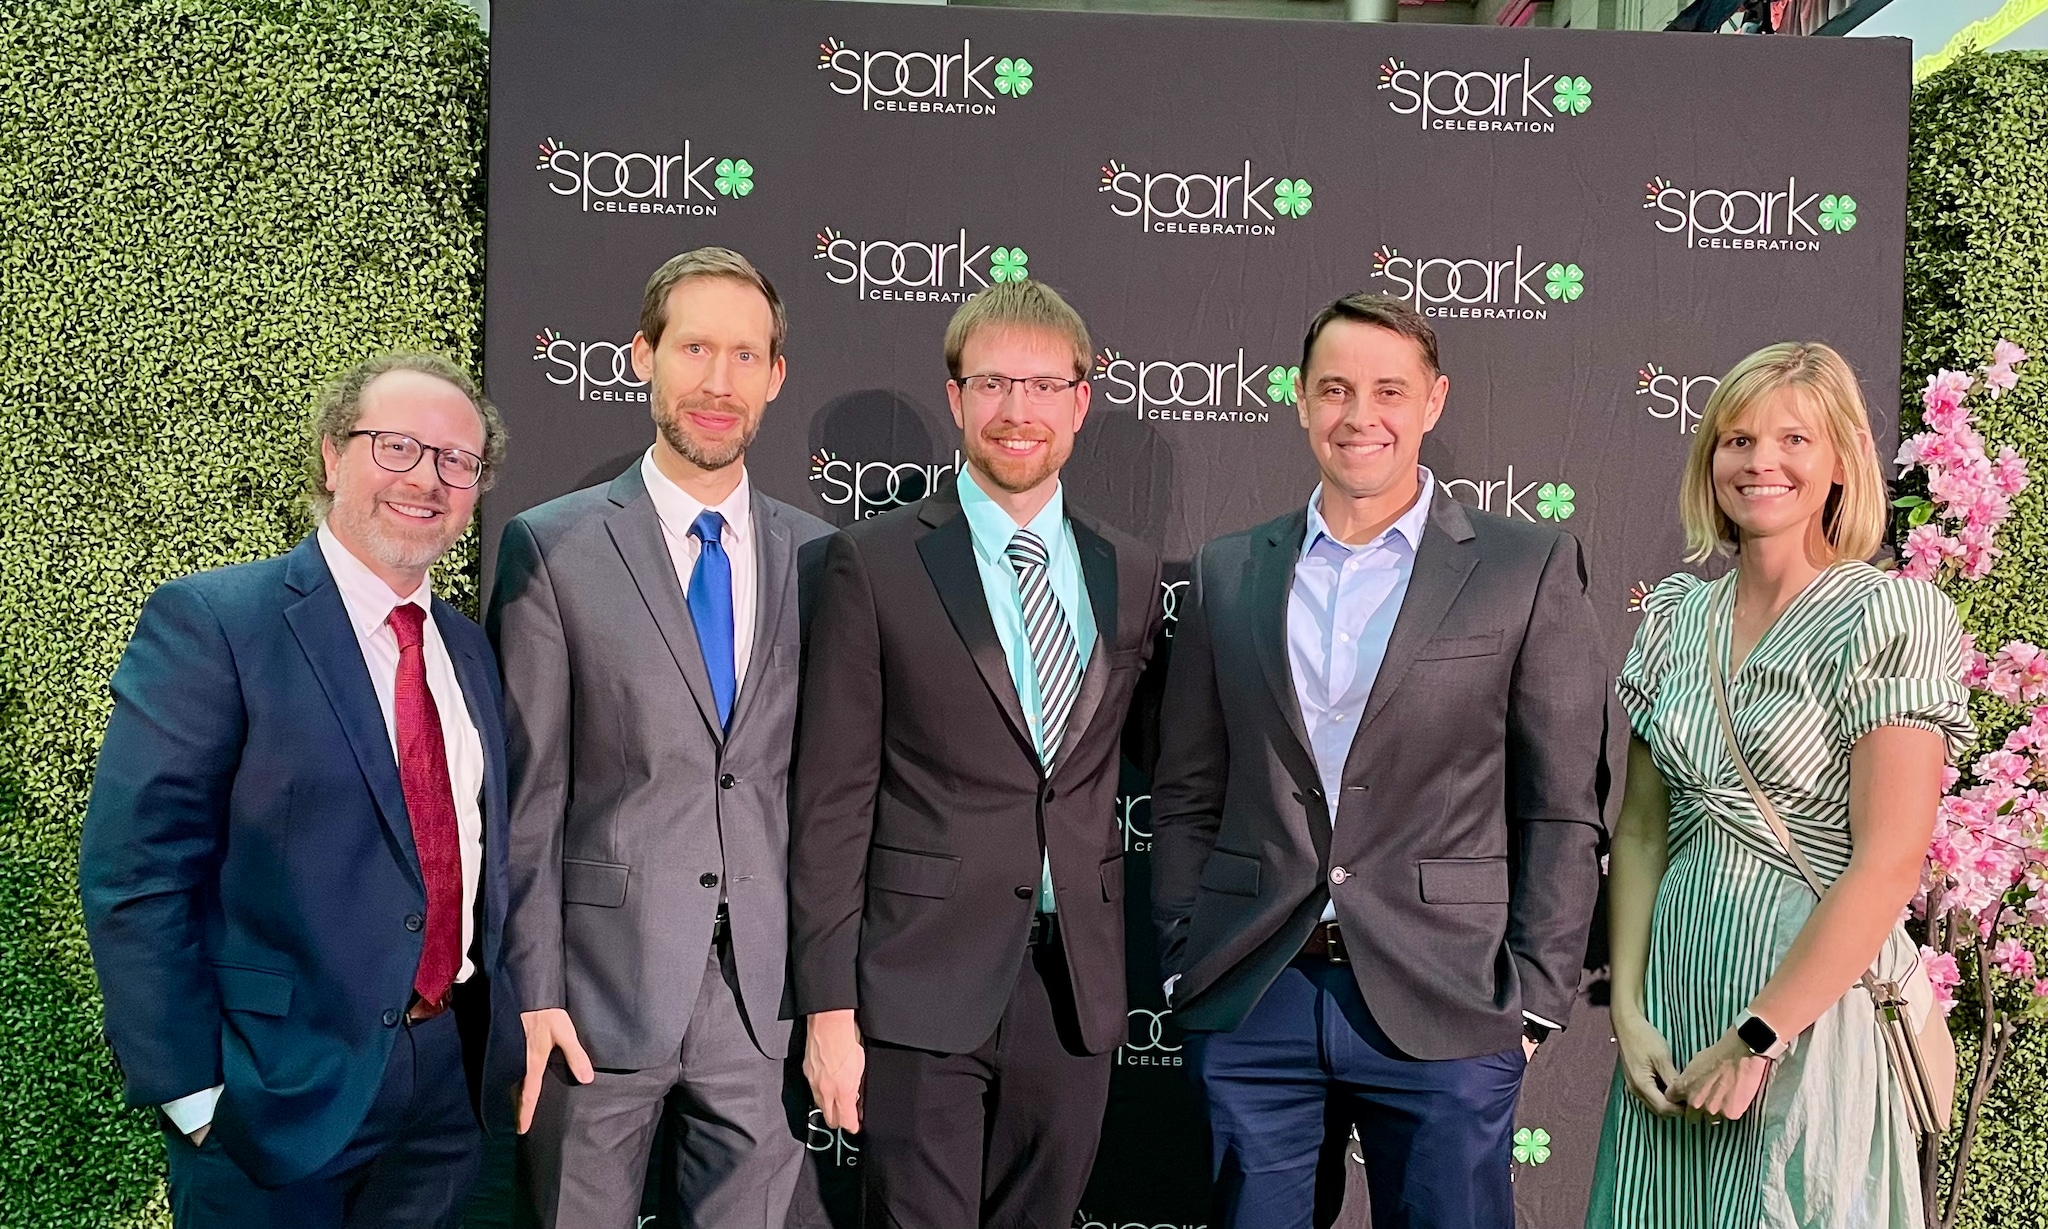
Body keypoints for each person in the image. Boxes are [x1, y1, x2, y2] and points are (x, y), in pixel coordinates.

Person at [1148, 293, 1608, 1229]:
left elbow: (1562, 802)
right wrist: (1180, 957)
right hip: (1255, 992)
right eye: (1335, 389)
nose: (1361, 415)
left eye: (1388, 390)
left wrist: (1533, 1004)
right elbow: (1190, 788)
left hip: (1450, 995)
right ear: (1300, 400)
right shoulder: (1230, 568)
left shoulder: (1525, 564)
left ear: (1433, 402)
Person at [79, 354, 522, 1227]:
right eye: (397, 448)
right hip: (272, 1094)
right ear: (331, 456)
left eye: (456, 461)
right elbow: (135, 872)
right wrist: (193, 1095)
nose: (427, 480)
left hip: (445, 1087)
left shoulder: (467, 649)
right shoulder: (215, 622)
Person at [791, 278, 1164, 1229]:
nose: (1018, 411)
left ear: (1082, 401)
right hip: (918, 981)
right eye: (993, 383)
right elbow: (833, 799)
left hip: (1073, 987)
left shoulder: (1129, 569)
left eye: (1044, 386)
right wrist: (828, 1007)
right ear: (956, 399)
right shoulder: (871, 562)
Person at [1588, 342, 1971, 1228]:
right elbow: (1643, 831)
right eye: (1737, 439)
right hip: (1678, 994)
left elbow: (1886, 861)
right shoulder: (1677, 618)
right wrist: (1631, 1009)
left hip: (1810, 1008)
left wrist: (1760, 1033)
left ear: (1840, 461)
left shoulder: (1889, 613)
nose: (1760, 461)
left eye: (1794, 438)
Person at [489, 246, 830, 1228]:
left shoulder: (819, 555)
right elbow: (528, 797)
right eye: (692, 348)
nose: (715, 382)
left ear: (773, 376)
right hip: (591, 995)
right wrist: (533, 989)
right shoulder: (551, 546)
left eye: (742, 355)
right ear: (640, 356)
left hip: (762, 1003)